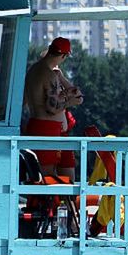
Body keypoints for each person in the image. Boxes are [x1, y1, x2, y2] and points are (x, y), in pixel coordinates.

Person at [23, 37, 83, 178]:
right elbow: (52, 108)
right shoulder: (48, 74)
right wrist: (70, 102)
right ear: (63, 56)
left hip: (41, 126)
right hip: (46, 128)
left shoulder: (33, 70)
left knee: (50, 179)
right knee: (47, 179)